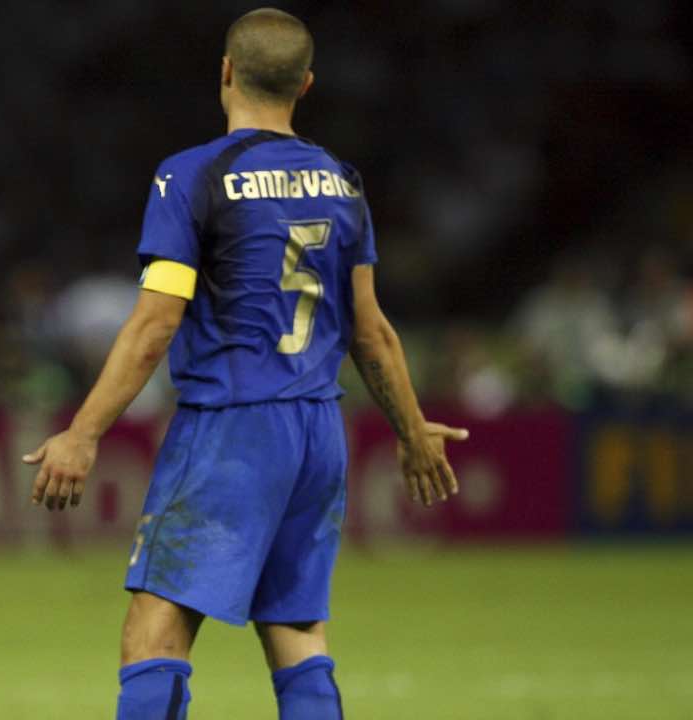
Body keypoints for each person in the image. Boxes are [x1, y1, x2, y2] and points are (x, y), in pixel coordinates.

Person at [23, 9, 469, 719]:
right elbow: (371, 330)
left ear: (226, 72)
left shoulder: (193, 175)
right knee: (296, 632)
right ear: (307, 84)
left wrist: (83, 432)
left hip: (231, 429)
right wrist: (412, 431)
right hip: (319, 433)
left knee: (154, 633)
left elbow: (154, 325)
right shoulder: (341, 182)